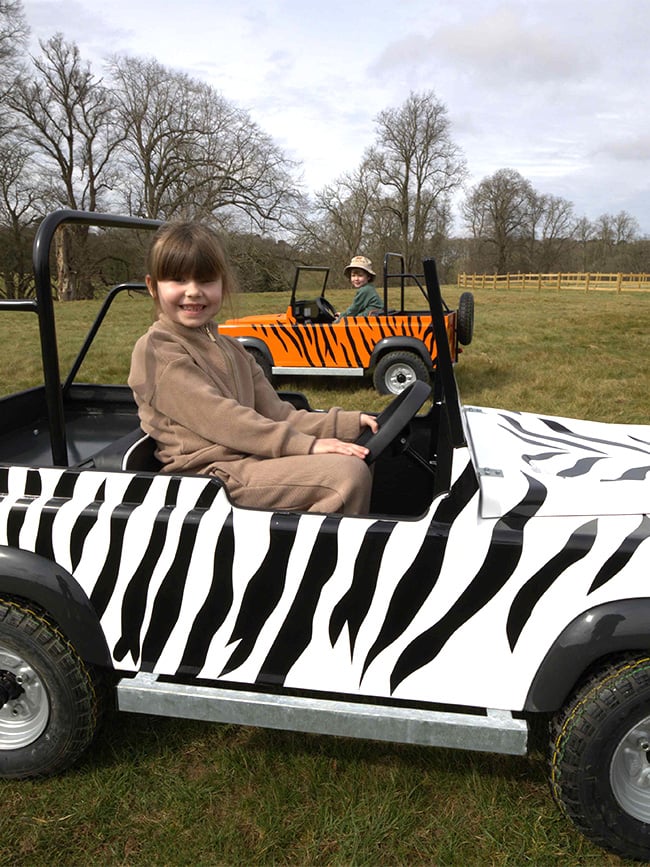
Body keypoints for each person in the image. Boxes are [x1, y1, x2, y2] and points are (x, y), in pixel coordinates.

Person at [128, 222, 378, 515]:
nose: (193, 291)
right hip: (205, 479)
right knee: (345, 477)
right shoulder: (158, 351)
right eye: (178, 280)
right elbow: (225, 420)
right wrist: (308, 446)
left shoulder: (233, 348)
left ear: (222, 284)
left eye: (206, 280)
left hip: (249, 461)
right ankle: (306, 560)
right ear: (152, 287)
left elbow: (279, 414)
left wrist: (348, 424)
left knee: (364, 454)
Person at [335, 255, 383, 320]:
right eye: (353, 275)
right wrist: (343, 314)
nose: (356, 279)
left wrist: (341, 317)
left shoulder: (366, 290)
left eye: (360, 275)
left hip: (369, 320)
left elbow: (354, 309)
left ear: (368, 277)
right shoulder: (368, 288)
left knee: (336, 324)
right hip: (370, 317)